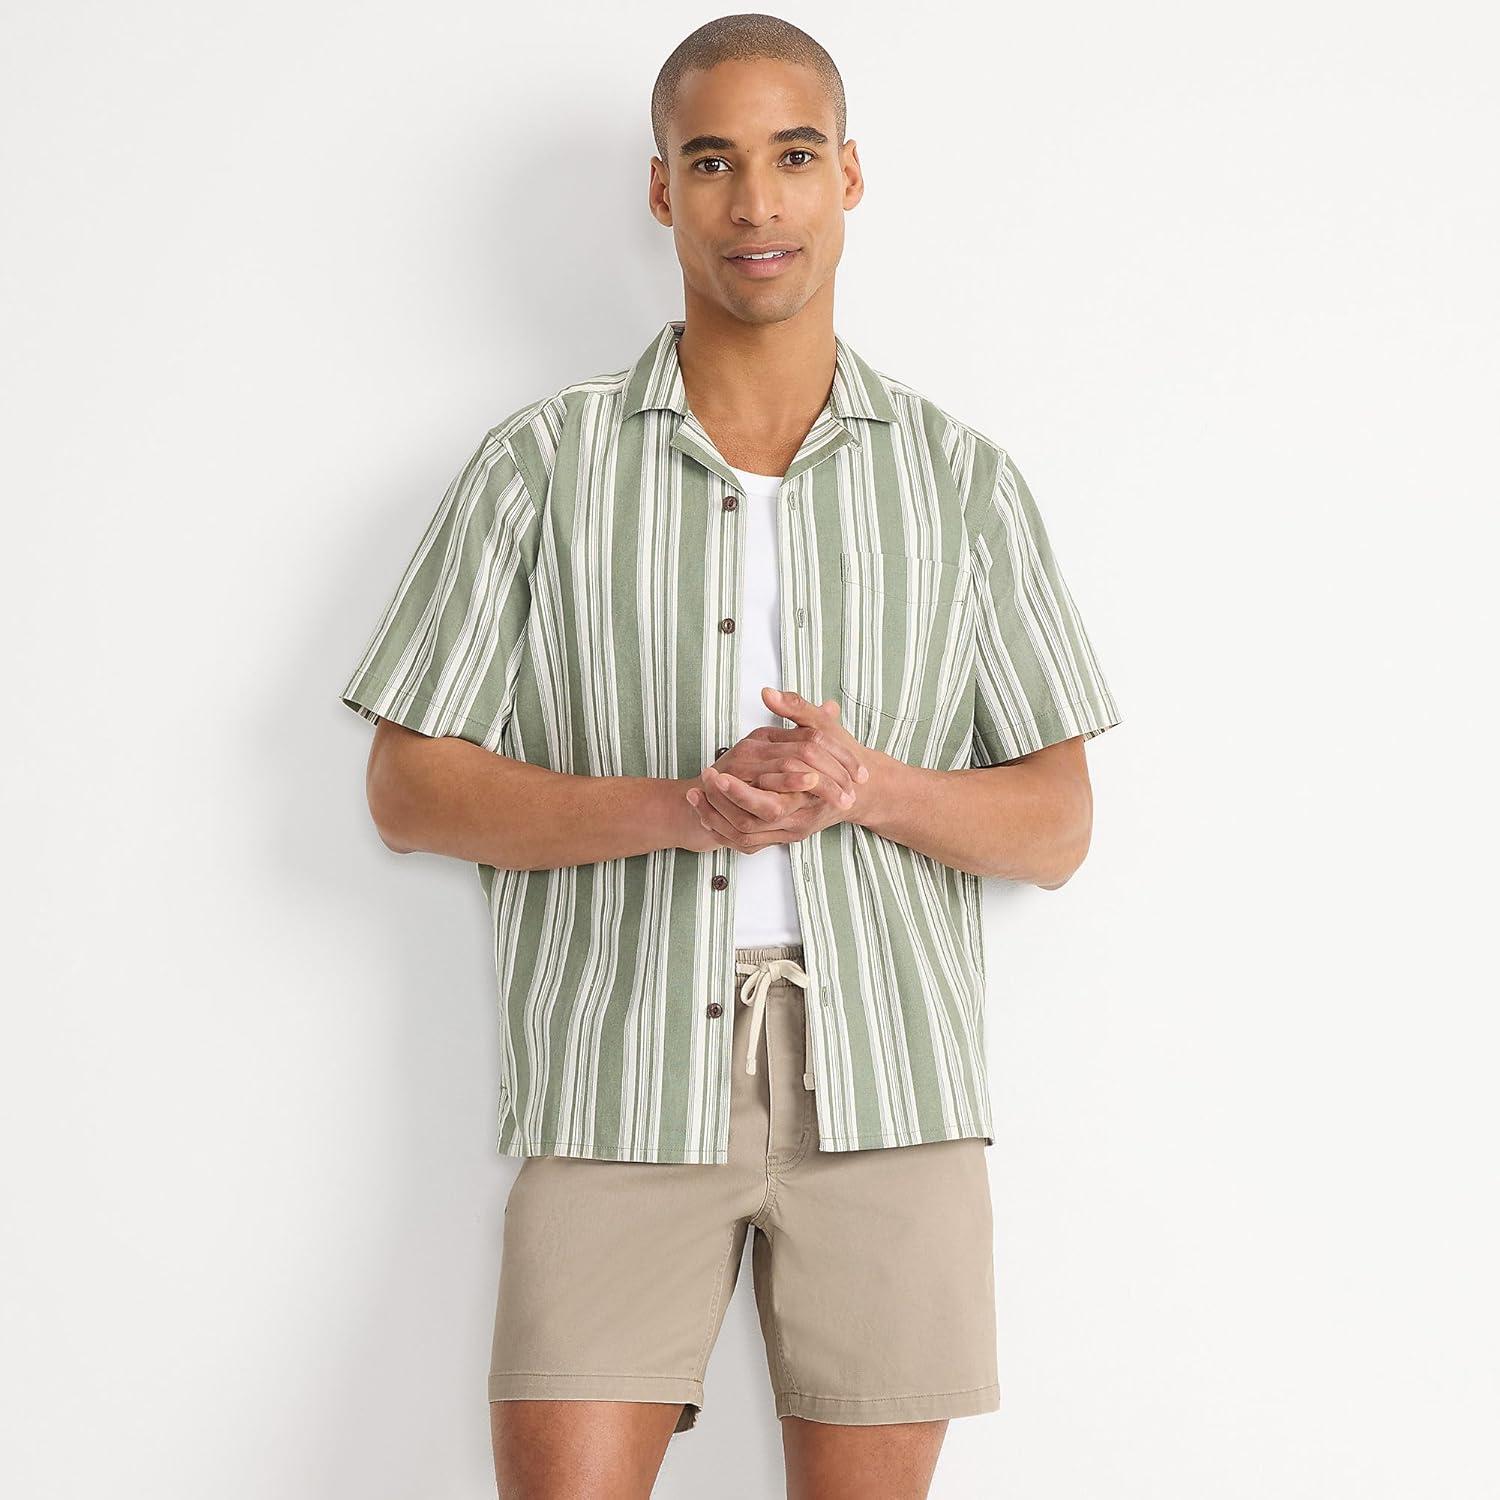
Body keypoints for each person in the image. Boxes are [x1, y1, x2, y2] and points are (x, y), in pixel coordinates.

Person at [338, 13, 1122, 1498]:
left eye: (793, 156)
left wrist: (865, 788)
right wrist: (679, 807)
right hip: (619, 1077)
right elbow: (407, 788)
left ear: (849, 179)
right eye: (712, 162)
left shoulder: (961, 482)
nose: (756, 202)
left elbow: (1059, 825)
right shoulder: (541, 466)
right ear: (662, 191)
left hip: (888, 1089)